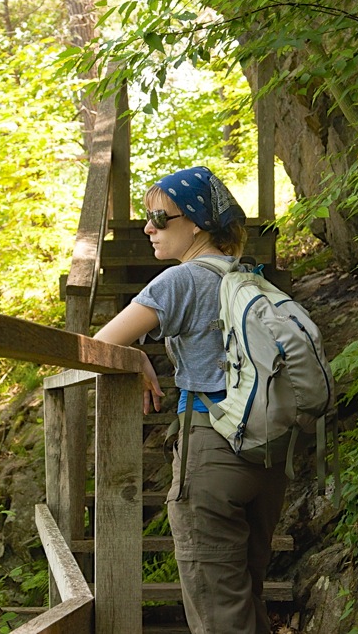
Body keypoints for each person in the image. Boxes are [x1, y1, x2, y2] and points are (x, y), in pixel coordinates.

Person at [93, 166, 288, 634]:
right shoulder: (252, 279)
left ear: (196, 221)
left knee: (220, 615)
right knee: (245, 599)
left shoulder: (178, 282)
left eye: (159, 218)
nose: (147, 228)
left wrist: (131, 354)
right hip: (269, 452)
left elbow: (93, 347)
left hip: (211, 449)